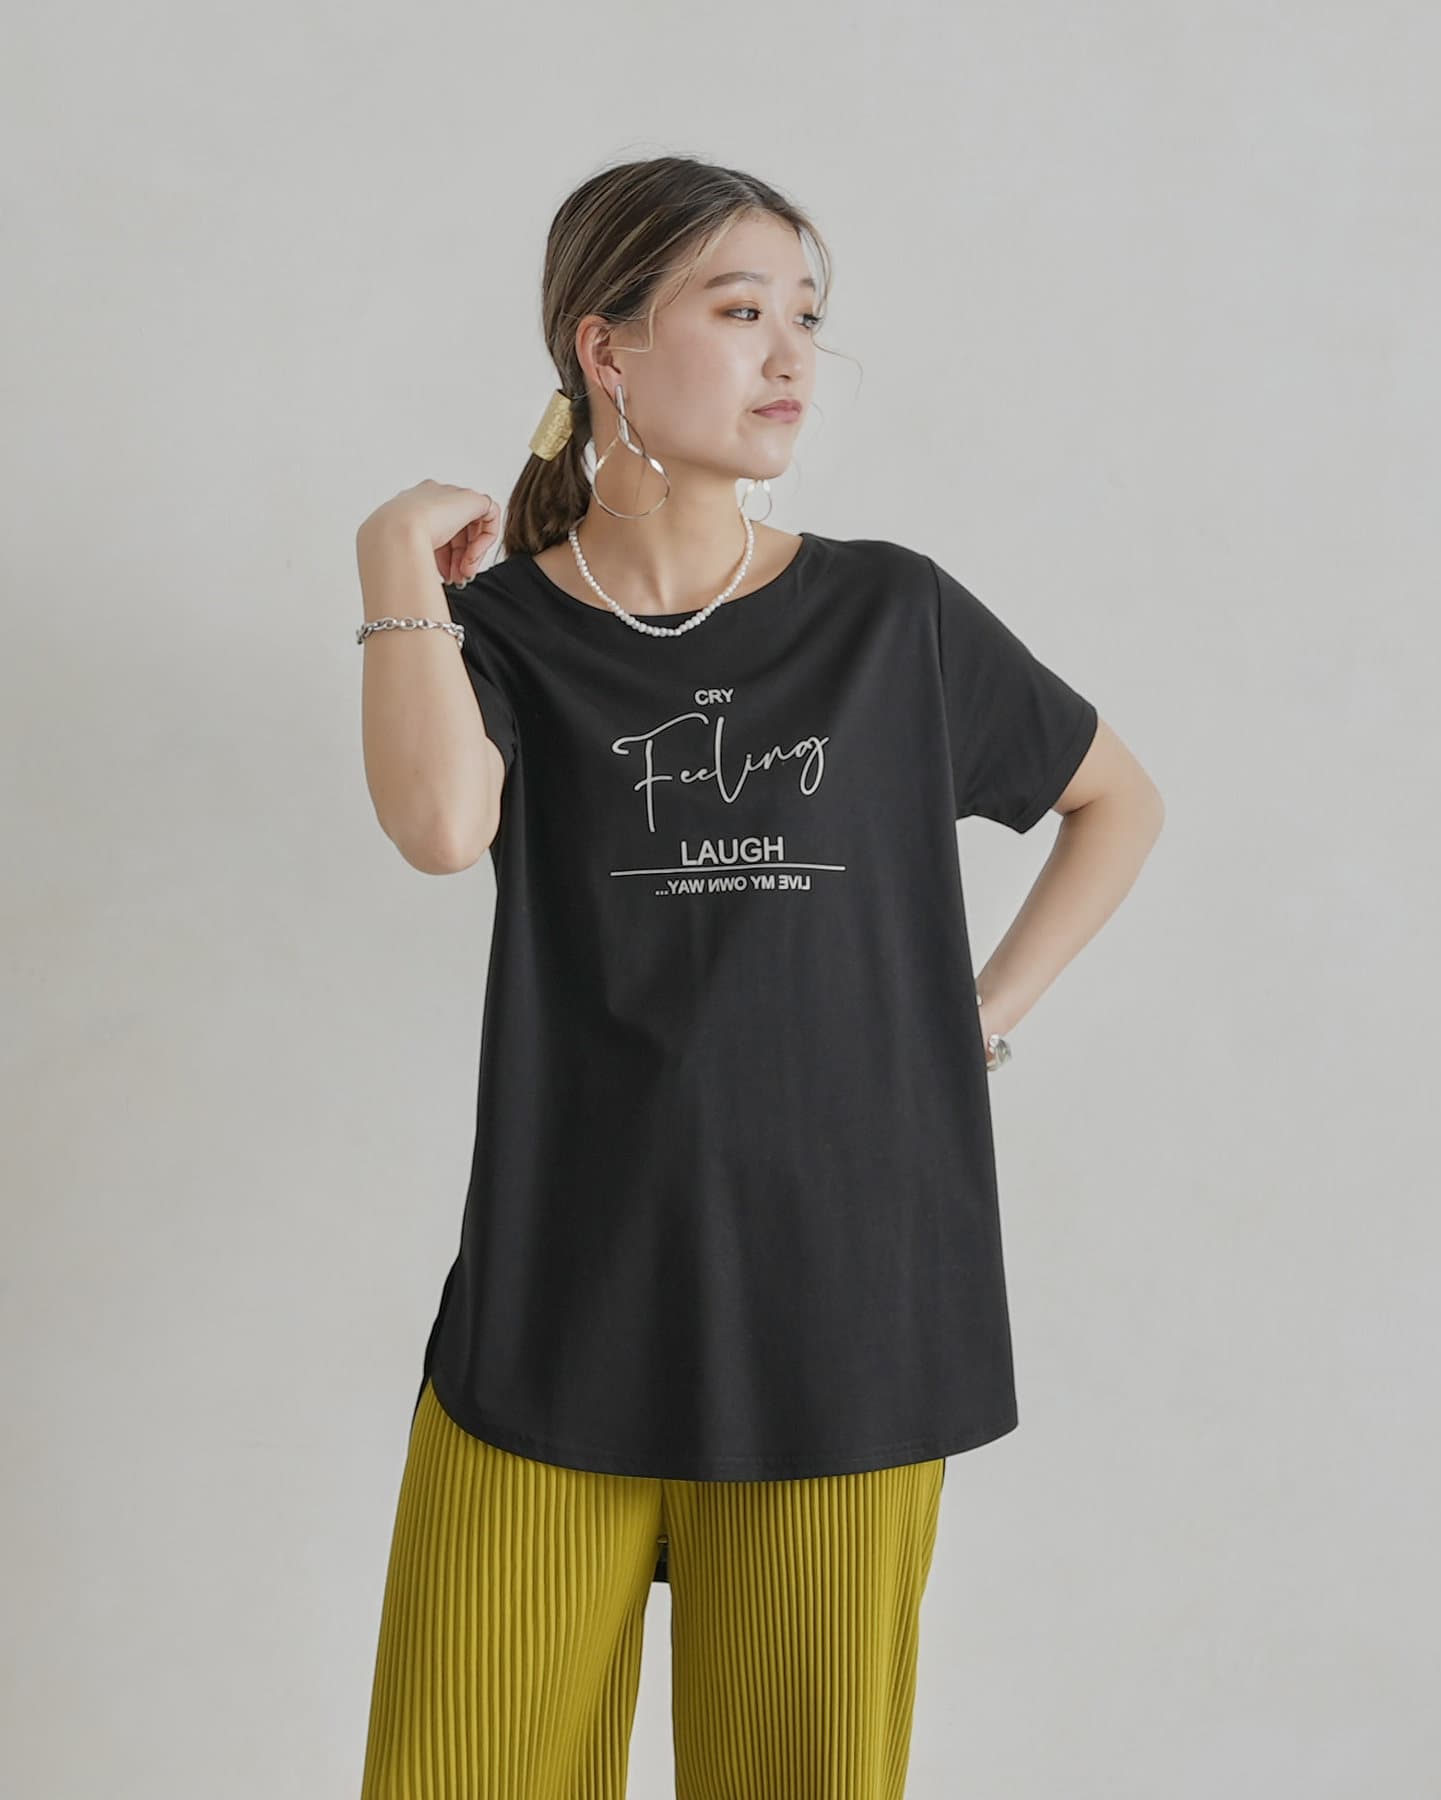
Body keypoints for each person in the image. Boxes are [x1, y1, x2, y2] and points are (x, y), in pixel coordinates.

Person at [352, 152, 1164, 1800]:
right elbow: (440, 829)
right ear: (606, 348)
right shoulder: (500, 634)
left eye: (806, 314)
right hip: (556, 1313)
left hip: (842, 1317)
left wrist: (972, 1025)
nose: (793, 356)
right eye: (740, 312)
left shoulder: (890, 617)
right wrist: (391, 572)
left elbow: (1115, 801)